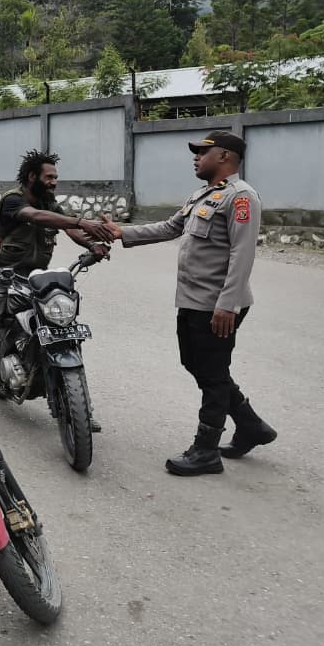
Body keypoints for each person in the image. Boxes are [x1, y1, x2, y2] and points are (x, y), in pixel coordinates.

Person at [102, 130, 275, 476]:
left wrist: (227, 304)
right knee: (197, 365)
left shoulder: (242, 198)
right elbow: (171, 227)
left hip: (218, 304)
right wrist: (123, 232)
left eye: (202, 152)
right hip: (194, 300)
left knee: (212, 375)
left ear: (225, 157)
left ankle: (206, 450)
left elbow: (243, 253)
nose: (196, 157)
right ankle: (251, 425)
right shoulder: (205, 194)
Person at [0, 150, 114, 415]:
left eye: (56, 177)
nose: (54, 182)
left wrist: (92, 244)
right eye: (49, 177)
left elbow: (69, 229)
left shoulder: (49, 202)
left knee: (64, 328)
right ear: (32, 176)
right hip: (2, 277)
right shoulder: (13, 200)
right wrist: (82, 221)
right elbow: (36, 217)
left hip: (35, 280)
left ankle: (79, 406)